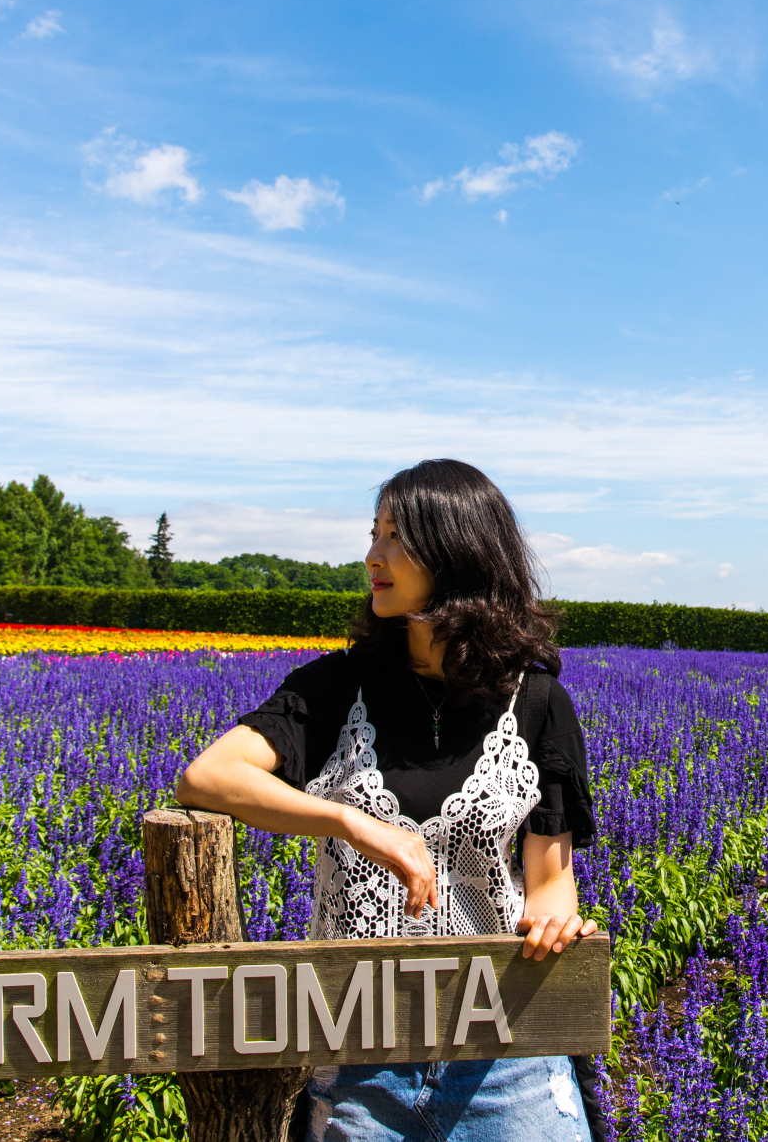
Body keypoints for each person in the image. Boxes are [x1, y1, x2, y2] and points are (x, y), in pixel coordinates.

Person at [177, 459, 603, 1142]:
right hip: (360, 1054)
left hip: (502, 1047)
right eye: (372, 534)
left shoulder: (539, 703)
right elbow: (207, 777)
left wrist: (556, 926)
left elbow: (550, 885)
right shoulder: (337, 686)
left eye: (393, 538)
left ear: (456, 549)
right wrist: (351, 821)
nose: (371, 556)